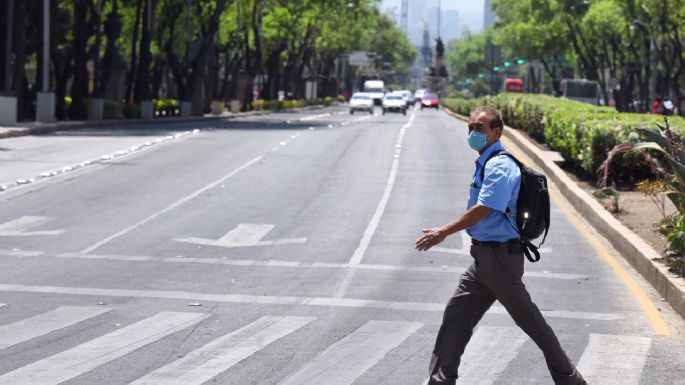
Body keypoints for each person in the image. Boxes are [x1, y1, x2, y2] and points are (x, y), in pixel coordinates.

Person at [415, 106, 586, 385]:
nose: (473, 133)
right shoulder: (486, 161)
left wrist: (444, 231)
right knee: (456, 318)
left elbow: (485, 207)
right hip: (483, 259)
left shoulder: (500, 165)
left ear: (497, 132)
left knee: (531, 322)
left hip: (501, 261)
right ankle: (441, 380)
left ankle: (570, 379)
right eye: (470, 127)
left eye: (479, 129)